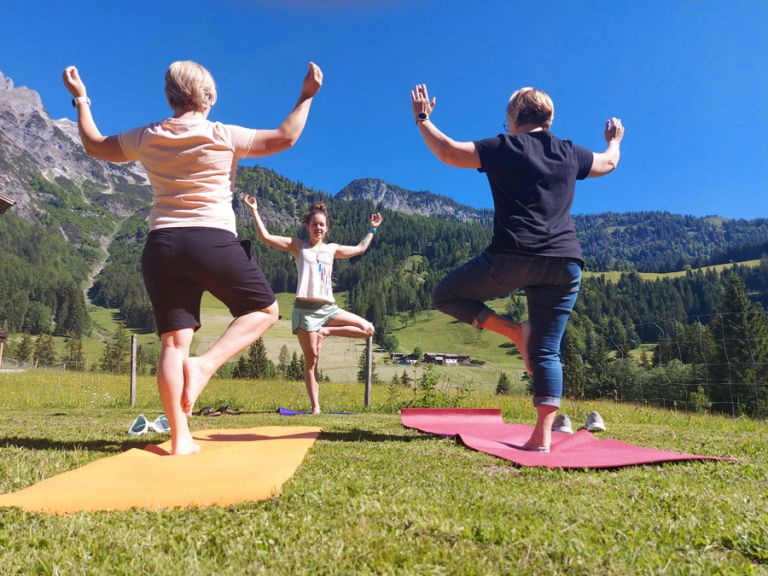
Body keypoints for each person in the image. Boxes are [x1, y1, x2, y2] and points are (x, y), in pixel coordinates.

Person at [63, 60, 323, 454]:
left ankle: (180, 439)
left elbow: (95, 145)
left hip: (162, 245)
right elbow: (286, 137)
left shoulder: (147, 136)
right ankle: (205, 366)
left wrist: (81, 98)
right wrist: (306, 96)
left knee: (173, 344)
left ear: (170, 96)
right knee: (265, 310)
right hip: (211, 238)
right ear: (207, 96)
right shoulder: (223, 134)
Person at [411, 83, 623, 452]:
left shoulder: (504, 146)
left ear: (512, 119)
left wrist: (422, 117)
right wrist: (614, 139)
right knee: (547, 351)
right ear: (550, 118)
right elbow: (609, 163)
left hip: (512, 257)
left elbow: (447, 151)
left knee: (444, 295)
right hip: (565, 264)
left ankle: (512, 331)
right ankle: (541, 436)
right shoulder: (570, 152)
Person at [244, 197, 381, 413]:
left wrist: (372, 229)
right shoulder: (298, 246)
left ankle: (325, 332)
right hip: (305, 312)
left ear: (326, 229)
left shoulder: (332, 249)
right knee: (312, 360)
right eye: (315, 224)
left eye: (322, 225)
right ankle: (315, 407)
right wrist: (254, 211)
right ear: (308, 226)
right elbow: (265, 237)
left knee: (368, 329)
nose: (318, 227)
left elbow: (360, 249)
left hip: (329, 309)